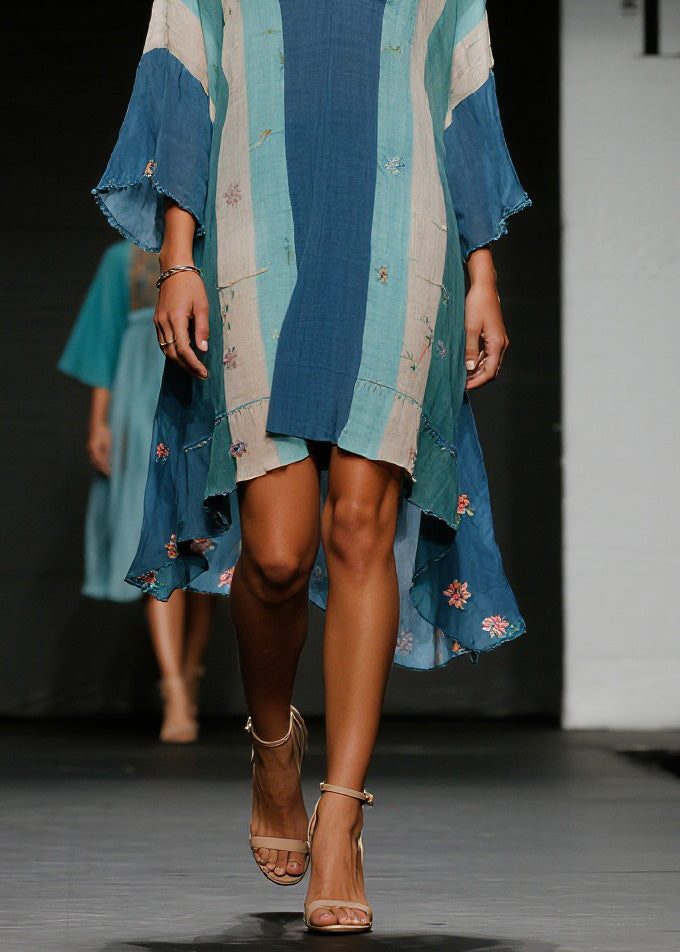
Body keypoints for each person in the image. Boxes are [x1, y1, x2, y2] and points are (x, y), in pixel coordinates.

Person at [92, 0, 529, 932]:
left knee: (363, 525)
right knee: (278, 552)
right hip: (254, 232)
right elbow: (184, 81)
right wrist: (177, 260)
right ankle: (274, 745)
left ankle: (342, 817)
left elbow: (461, 95)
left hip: (404, 238)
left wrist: (484, 275)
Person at [59, 241, 217, 743]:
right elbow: (101, 344)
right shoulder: (122, 261)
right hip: (138, 408)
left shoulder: (209, 248)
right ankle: (174, 689)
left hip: (198, 400)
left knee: (205, 550)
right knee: (158, 545)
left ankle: (189, 675)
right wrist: (99, 421)